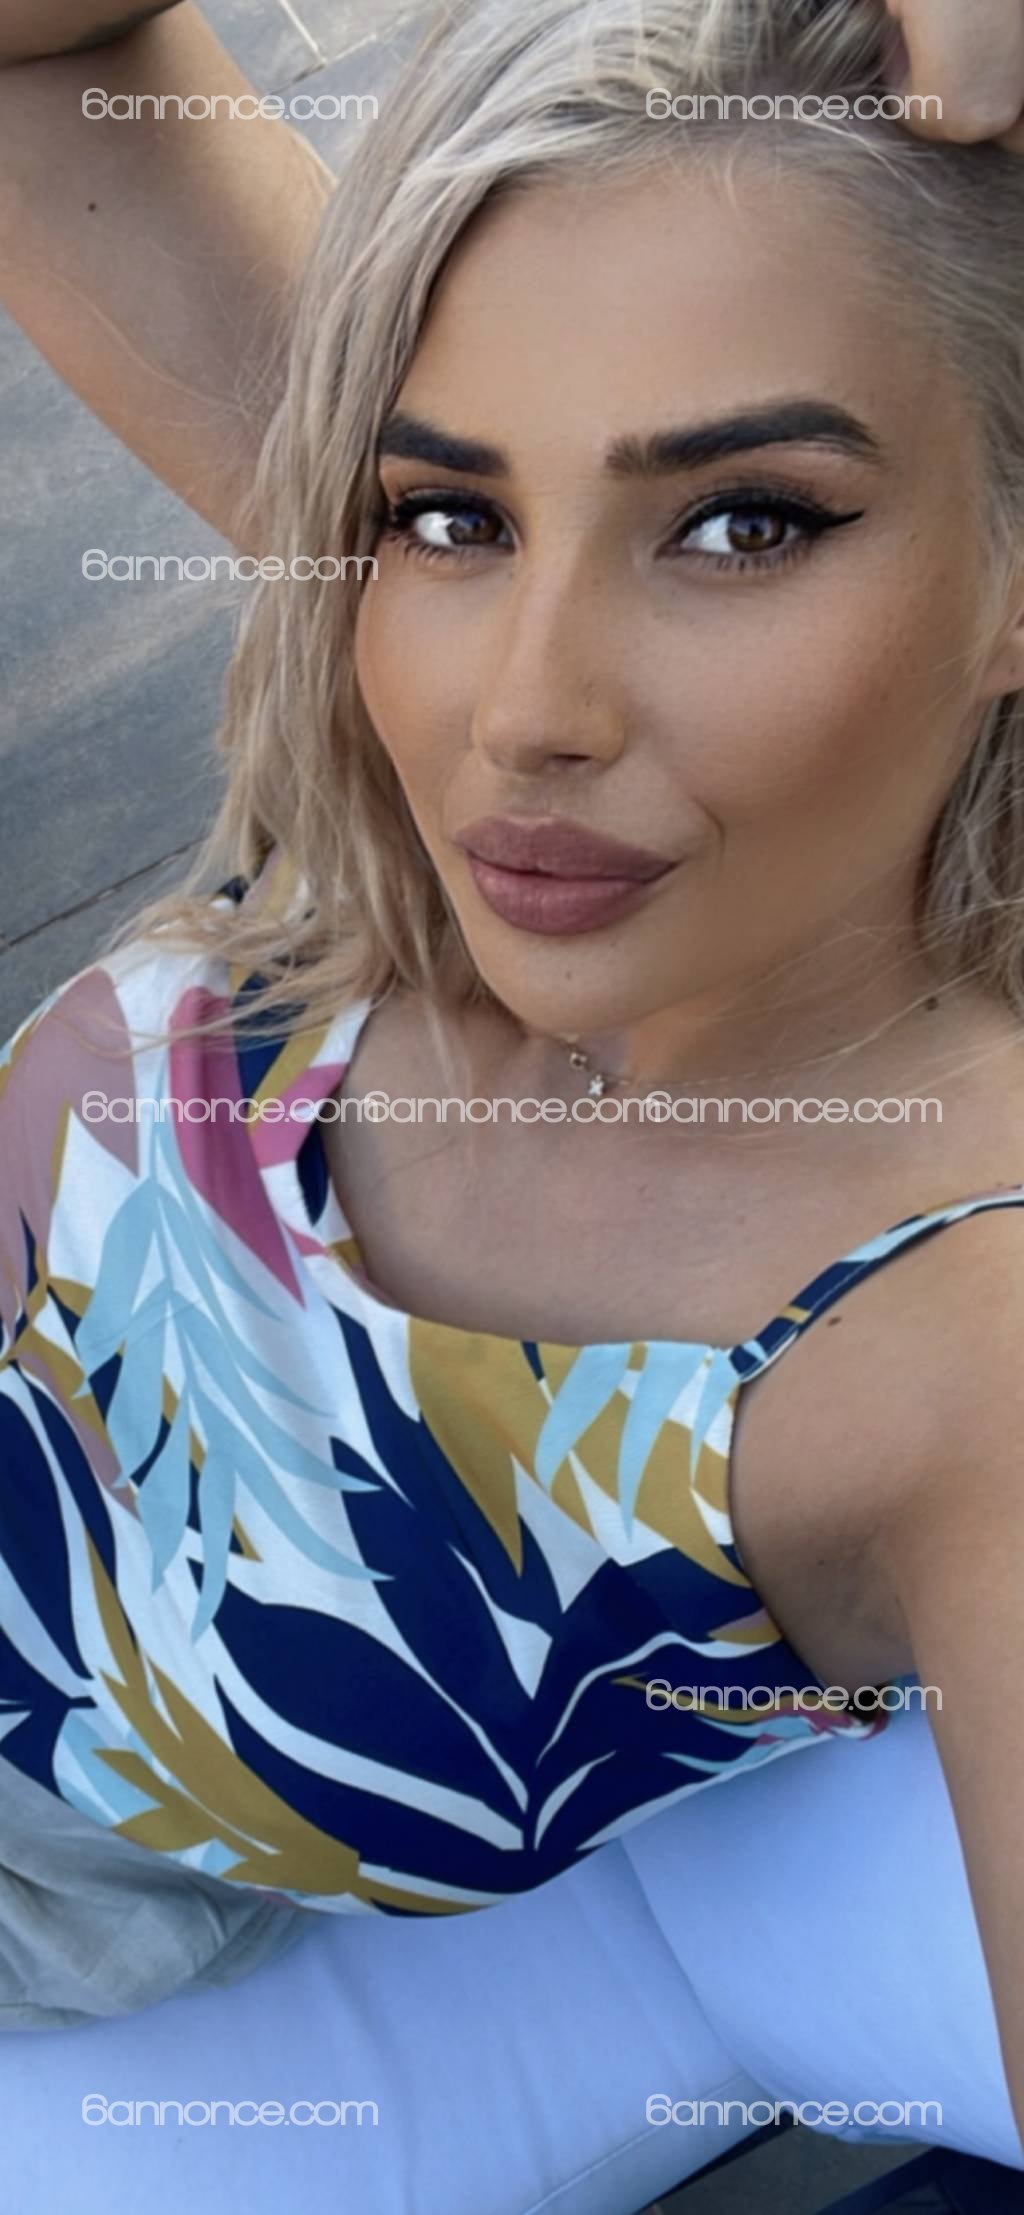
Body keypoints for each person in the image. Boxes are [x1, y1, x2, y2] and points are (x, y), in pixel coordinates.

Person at [3, 3, 1024, 2211]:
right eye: (449, 507)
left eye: (745, 521)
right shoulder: (455, 715)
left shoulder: (962, 1358)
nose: (522, 711)